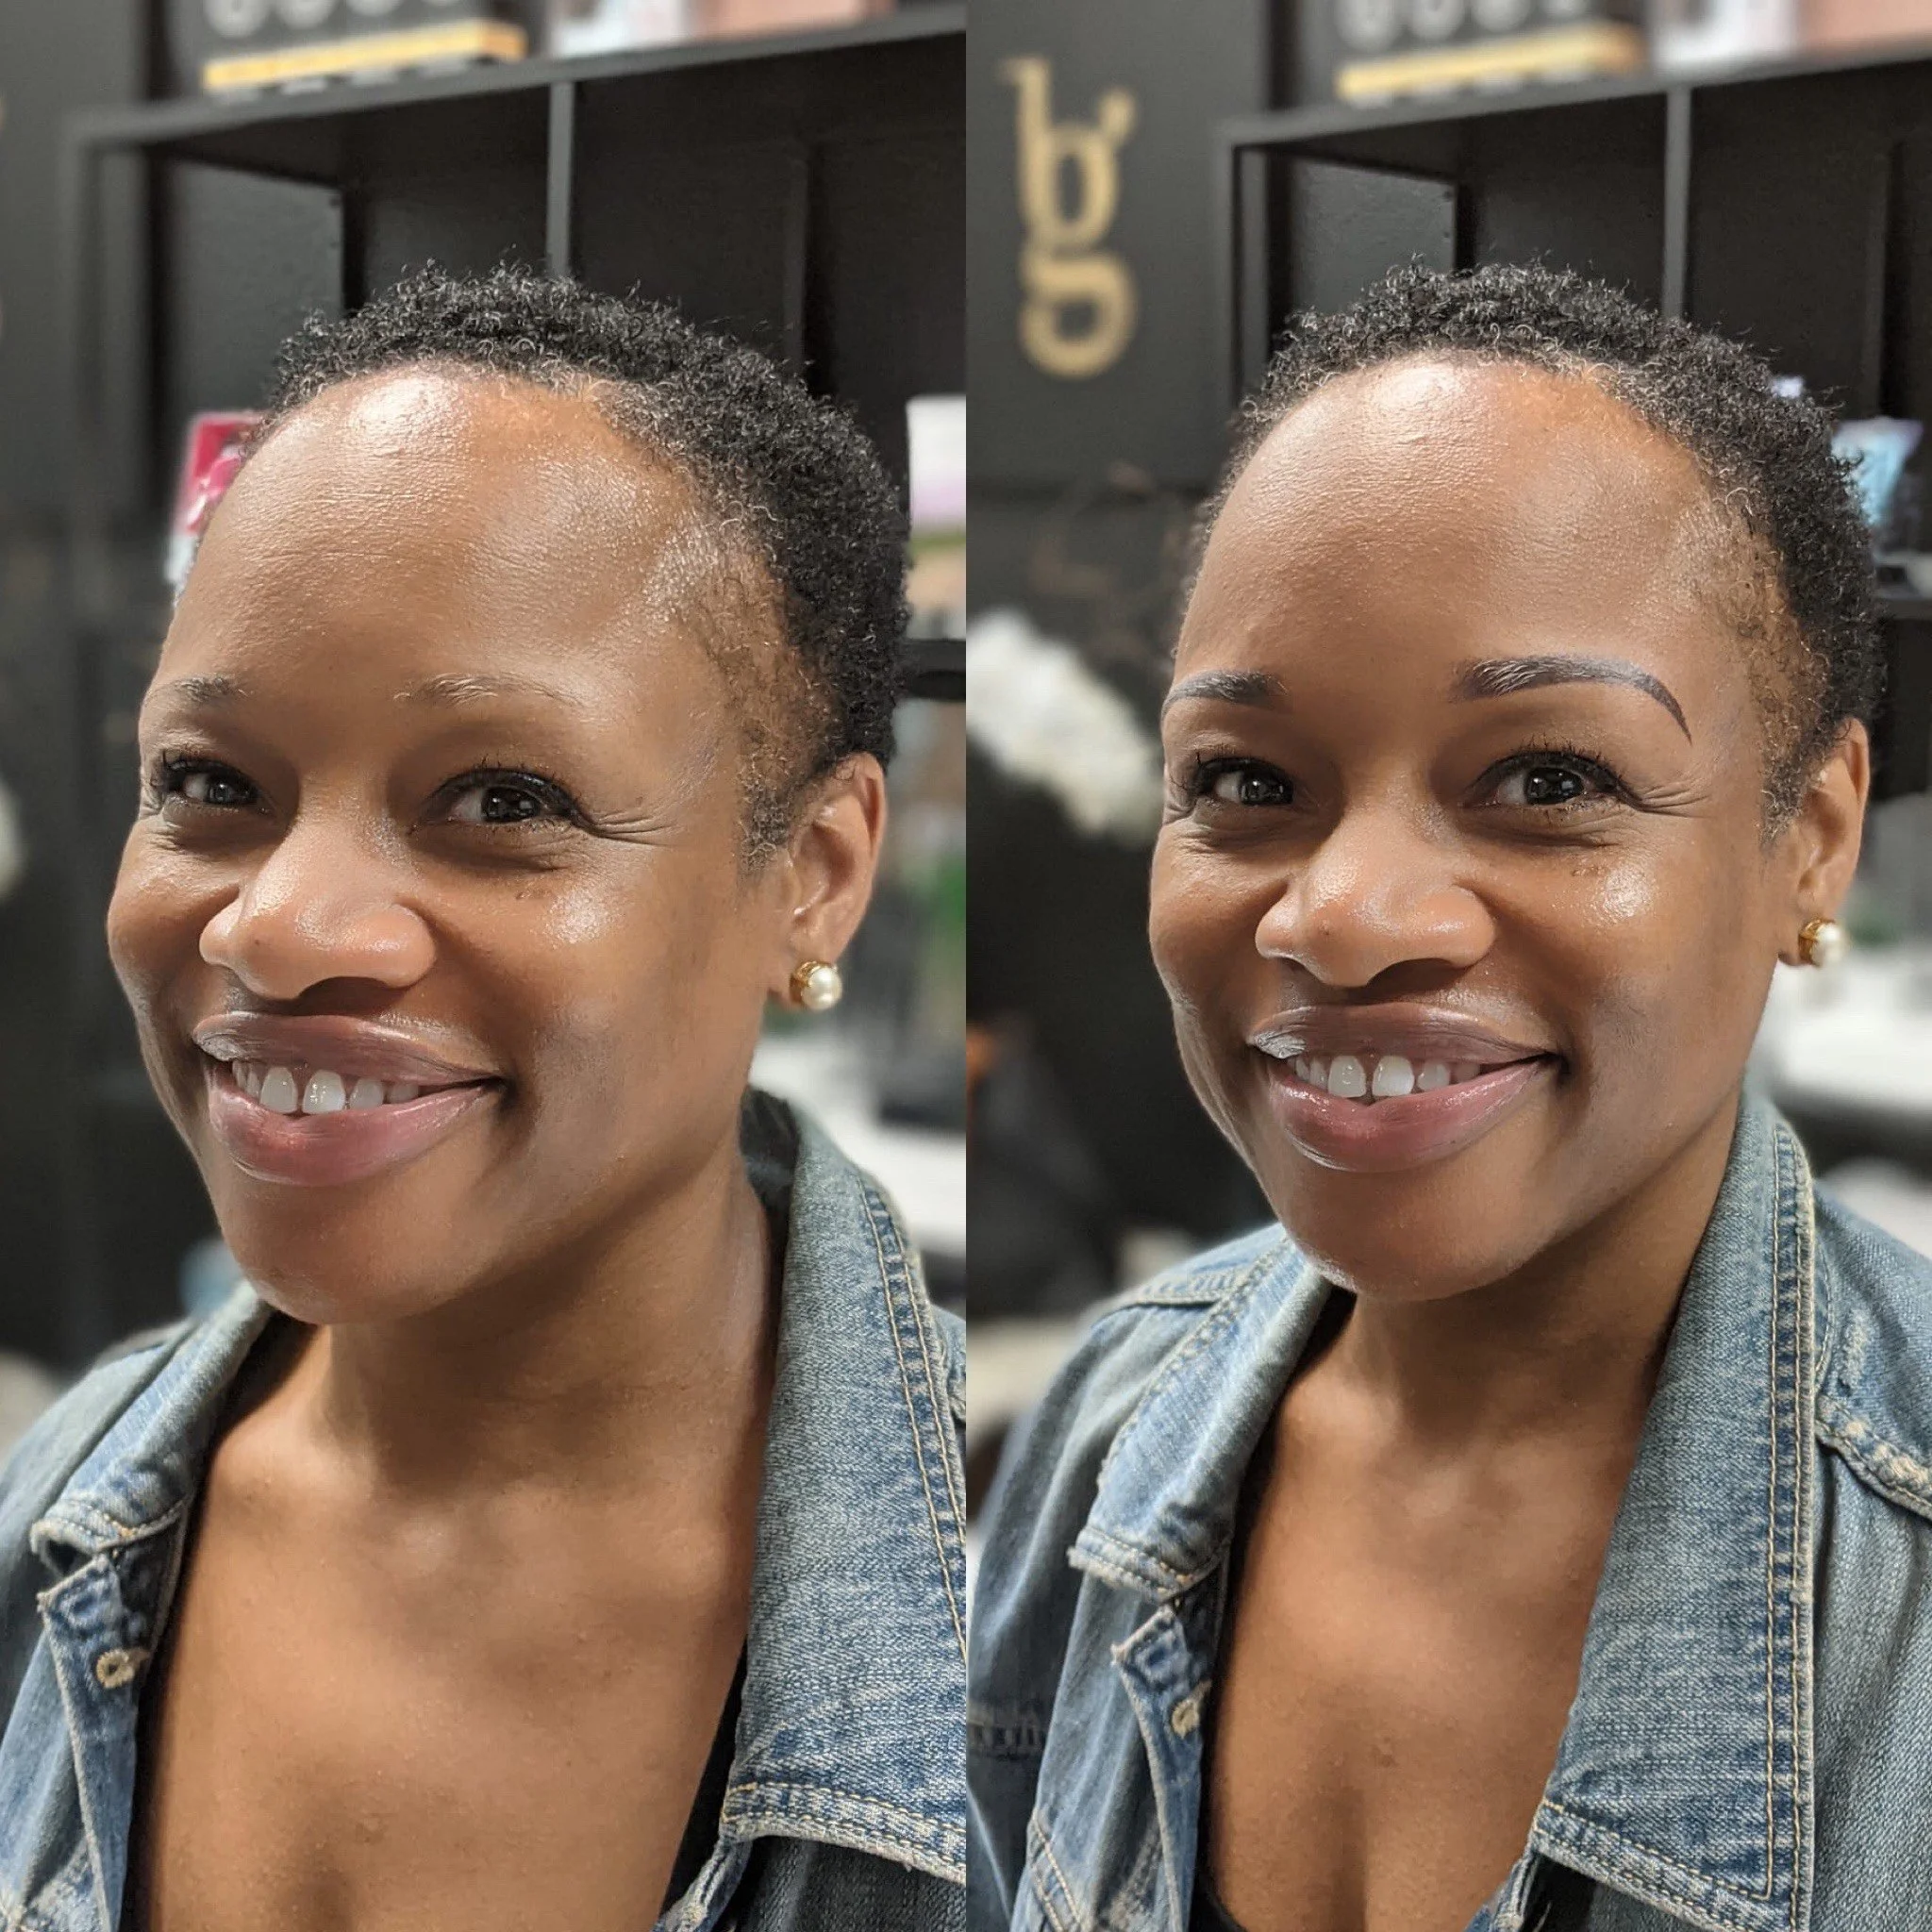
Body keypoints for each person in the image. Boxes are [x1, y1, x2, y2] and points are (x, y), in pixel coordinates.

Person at [967, 263, 1932, 1932]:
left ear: (1813, 835)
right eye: (1247, 784)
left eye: (1549, 779)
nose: (1341, 915)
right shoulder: (1114, 1425)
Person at [0, 268, 965, 1932]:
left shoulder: (1028, 1624)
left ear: (813, 874)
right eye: (210, 787)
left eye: (500, 798)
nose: (279, 928)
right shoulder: (52, 1521)